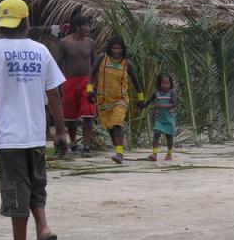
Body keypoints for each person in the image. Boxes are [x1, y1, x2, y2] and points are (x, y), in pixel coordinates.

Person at [0, 0, 67, 240]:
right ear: (26, 23)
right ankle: (43, 229)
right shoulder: (41, 51)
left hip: (10, 137)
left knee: (17, 190)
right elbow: (54, 93)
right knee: (35, 184)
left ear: (2, 24)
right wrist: (60, 131)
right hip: (36, 134)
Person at [89, 36, 144, 164]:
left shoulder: (126, 64)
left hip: (121, 99)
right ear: (110, 48)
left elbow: (136, 82)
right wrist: (89, 90)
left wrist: (141, 99)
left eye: (119, 48)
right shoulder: (102, 58)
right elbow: (91, 73)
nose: (116, 51)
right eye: (114, 48)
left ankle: (119, 153)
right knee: (110, 127)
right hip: (104, 99)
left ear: (123, 49)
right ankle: (118, 149)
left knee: (117, 123)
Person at [56, 14, 96, 157]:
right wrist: (59, 84)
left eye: (88, 25)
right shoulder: (64, 43)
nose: (88, 28)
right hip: (70, 81)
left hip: (87, 81)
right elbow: (58, 63)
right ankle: (73, 143)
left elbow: (94, 64)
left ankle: (86, 145)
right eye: (85, 25)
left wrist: (92, 84)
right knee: (70, 116)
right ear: (78, 27)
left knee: (88, 115)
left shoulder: (90, 43)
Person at [142, 73, 176, 161]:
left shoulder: (171, 93)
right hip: (159, 118)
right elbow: (148, 102)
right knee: (156, 133)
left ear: (170, 83)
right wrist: (141, 106)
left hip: (169, 118)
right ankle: (154, 154)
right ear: (159, 83)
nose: (165, 85)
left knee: (169, 137)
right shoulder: (156, 93)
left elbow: (174, 104)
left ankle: (169, 154)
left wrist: (163, 106)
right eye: (163, 83)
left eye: (167, 83)